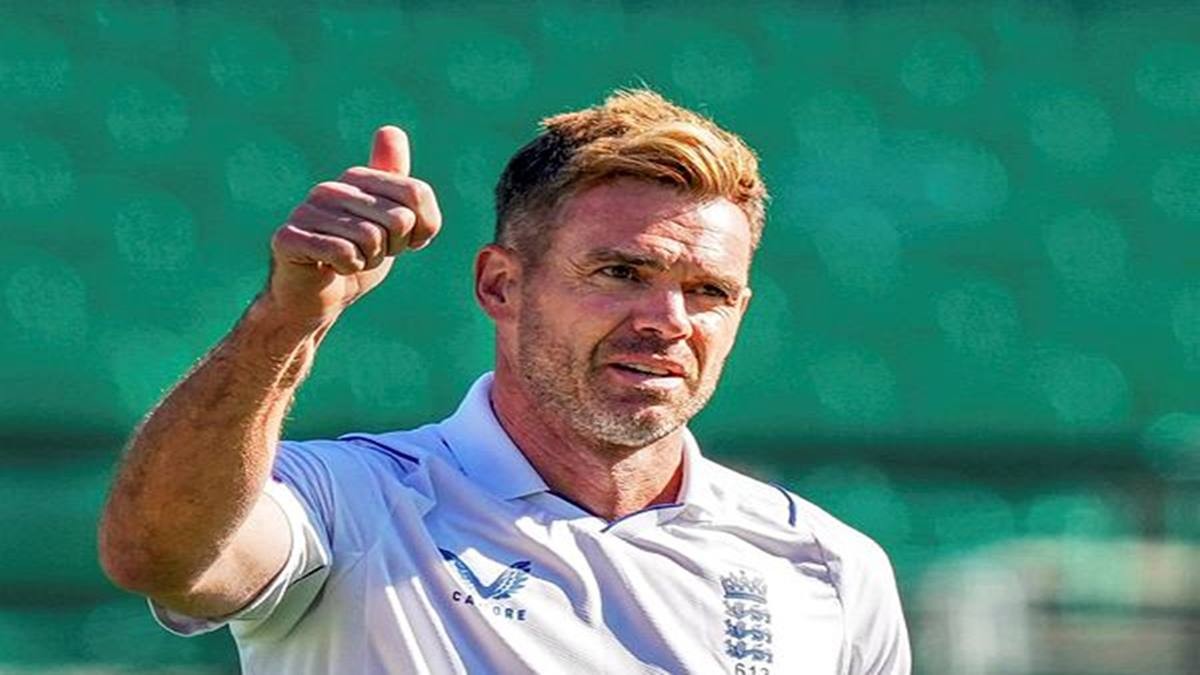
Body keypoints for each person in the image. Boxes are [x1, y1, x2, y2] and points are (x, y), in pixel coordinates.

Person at [98, 89, 910, 674]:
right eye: (622, 272)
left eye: (709, 291)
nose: (668, 319)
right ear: (500, 285)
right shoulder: (349, 502)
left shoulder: (831, 566)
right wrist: (288, 318)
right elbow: (156, 553)